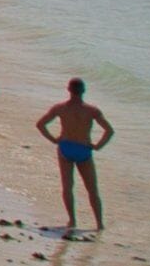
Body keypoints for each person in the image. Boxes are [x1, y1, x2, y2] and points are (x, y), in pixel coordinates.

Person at [36, 79, 113, 237]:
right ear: (83, 90)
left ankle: (72, 220)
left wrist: (53, 139)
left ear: (68, 90)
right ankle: (99, 224)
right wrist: (98, 146)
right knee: (92, 190)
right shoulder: (92, 110)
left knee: (68, 186)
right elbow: (109, 131)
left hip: (66, 147)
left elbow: (40, 124)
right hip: (84, 149)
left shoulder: (60, 108)